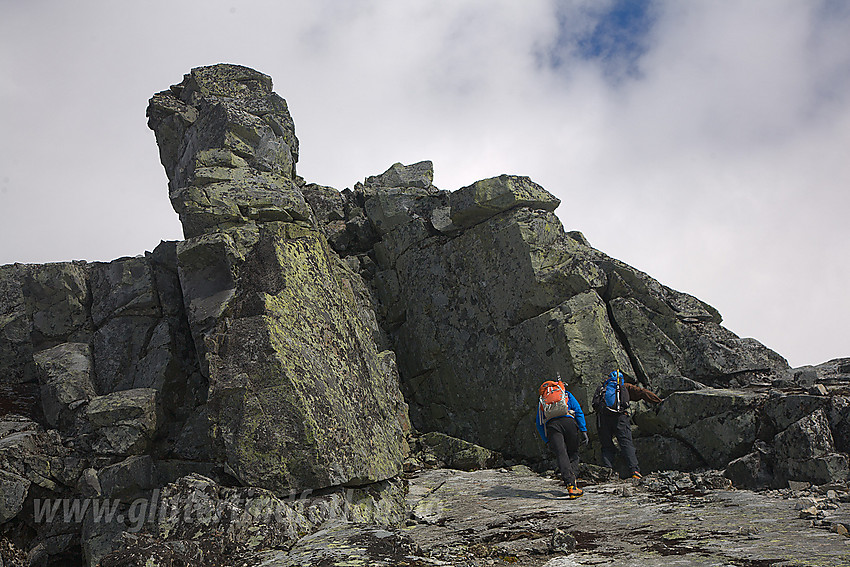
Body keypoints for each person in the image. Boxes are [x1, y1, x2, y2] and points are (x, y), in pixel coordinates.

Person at [593, 370, 662, 479]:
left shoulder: (602, 388)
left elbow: (595, 404)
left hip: (603, 419)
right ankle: (634, 471)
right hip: (620, 418)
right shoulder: (625, 387)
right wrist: (658, 401)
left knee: (606, 447)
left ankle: (607, 471)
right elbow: (642, 392)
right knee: (626, 444)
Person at [536, 376, 589, 499]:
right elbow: (578, 411)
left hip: (553, 426)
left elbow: (539, 423)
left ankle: (570, 484)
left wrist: (546, 440)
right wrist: (583, 430)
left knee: (561, 454)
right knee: (573, 453)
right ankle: (574, 483)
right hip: (569, 422)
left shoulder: (542, 400)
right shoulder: (566, 394)